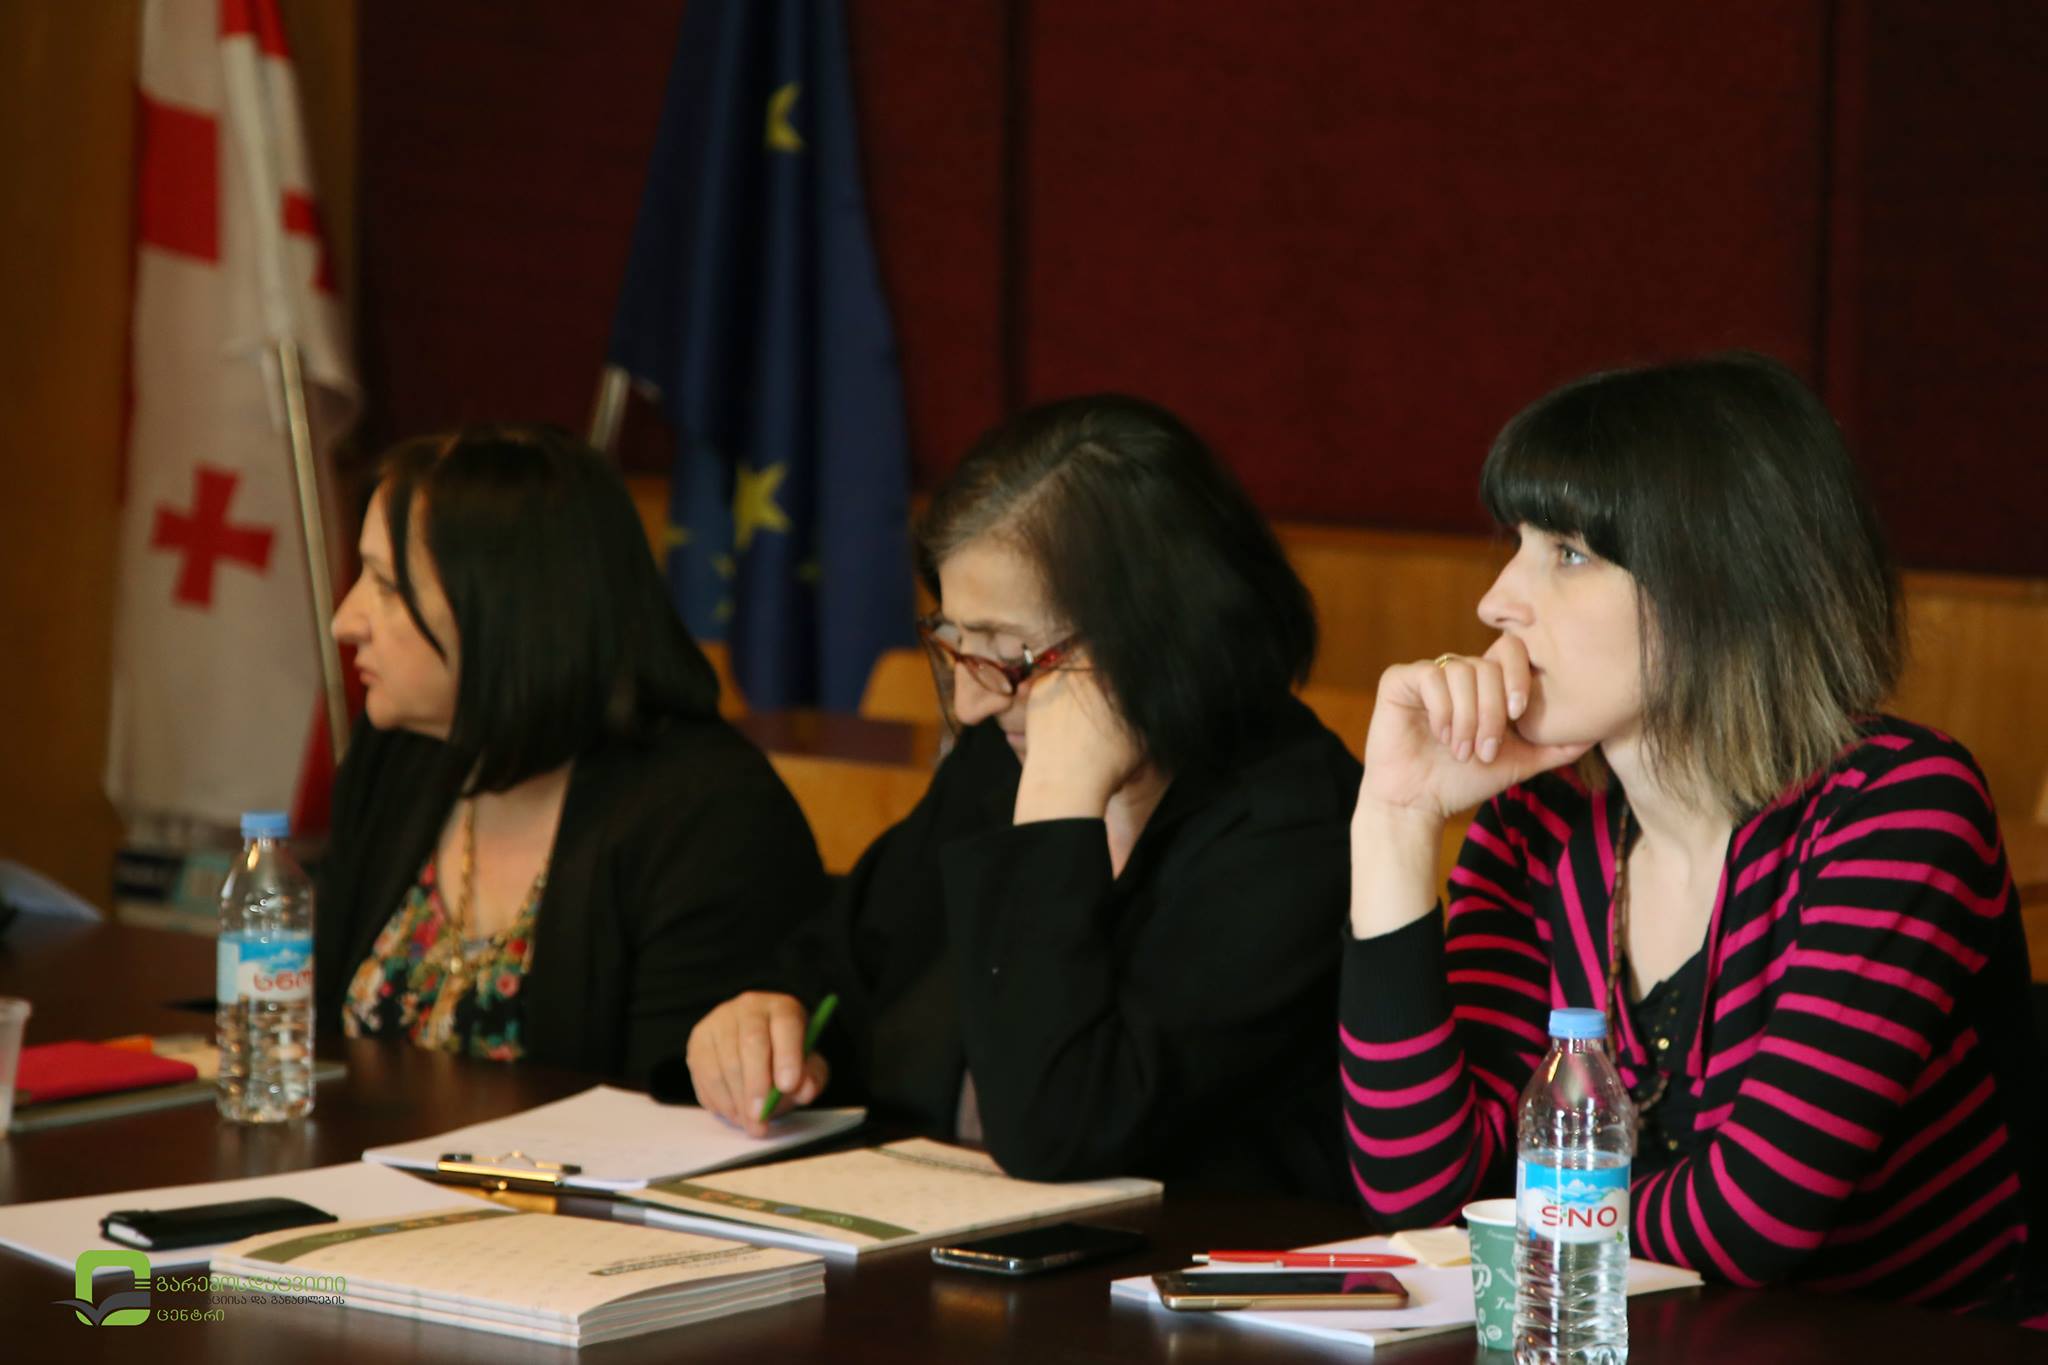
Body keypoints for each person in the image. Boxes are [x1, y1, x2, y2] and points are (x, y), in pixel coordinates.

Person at [1340, 353, 2046, 1315]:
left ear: (1720, 584)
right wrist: (1395, 818)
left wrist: (1508, 1223)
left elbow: (1752, 1220)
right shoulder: (1539, 821)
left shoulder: (1900, 805)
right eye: (1517, 543)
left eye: (1568, 553)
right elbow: (1422, 1195)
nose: (1496, 600)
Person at [678, 394, 1360, 1197]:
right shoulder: (995, 762)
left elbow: (1061, 1127)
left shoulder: (1297, 830)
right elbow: (846, 965)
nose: (971, 703)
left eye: (1008, 655)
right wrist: (769, 1017)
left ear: (1157, 630)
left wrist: (1058, 805)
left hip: (1182, 1265)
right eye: (956, 645)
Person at [316, 425, 827, 1083]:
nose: (345, 620)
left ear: (506, 607)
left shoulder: (711, 817)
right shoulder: (396, 756)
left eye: (387, 585)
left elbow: (680, 1103)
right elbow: (317, 1034)